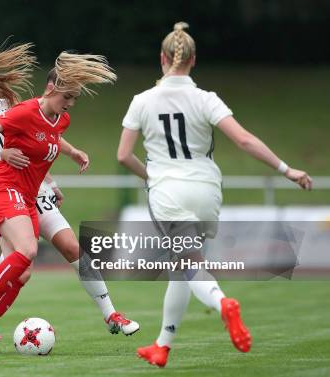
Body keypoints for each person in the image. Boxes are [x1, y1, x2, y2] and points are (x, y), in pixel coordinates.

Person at [116, 22, 313, 368]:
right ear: (193, 61)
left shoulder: (142, 101)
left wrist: (153, 177)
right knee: (184, 266)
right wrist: (287, 169)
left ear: (162, 58)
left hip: (168, 195)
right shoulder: (206, 99)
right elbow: (244, 140)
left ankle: (223, 303)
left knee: (190, 267)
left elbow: (123, 155)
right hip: (206, 192)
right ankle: (162, 344)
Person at [0, 44, 139, 354]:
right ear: (52, 89)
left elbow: (39, 138)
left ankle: (110, 313)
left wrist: (58, 169)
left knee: (56, 252)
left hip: (32, 192)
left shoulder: (11, 104)